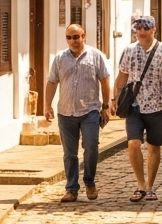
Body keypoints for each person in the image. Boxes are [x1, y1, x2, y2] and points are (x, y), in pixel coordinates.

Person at [113, 15, 162, 203]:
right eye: (138, 28)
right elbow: (122, 75)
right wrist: (115, 98)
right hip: (134, 106)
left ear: (153, 30)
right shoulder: (129, 50)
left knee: (153, 145)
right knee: (133, 143)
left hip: (156, 106)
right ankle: (140, 184)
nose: (140, 31)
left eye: (145, 28)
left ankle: (150, 186)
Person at [44, 24, 112, 203]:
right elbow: (52, 82)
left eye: (76, 37)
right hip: (66, 112)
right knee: (70, 153)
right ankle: (71, 188)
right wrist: (47, 105)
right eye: (69, 37)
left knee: (91, 146)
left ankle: (89, 181)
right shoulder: (60, 58)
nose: (73, 41)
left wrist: (106, 106)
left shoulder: (96, 56)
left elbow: (105, 81)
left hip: (90, 110)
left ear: (83, 36)